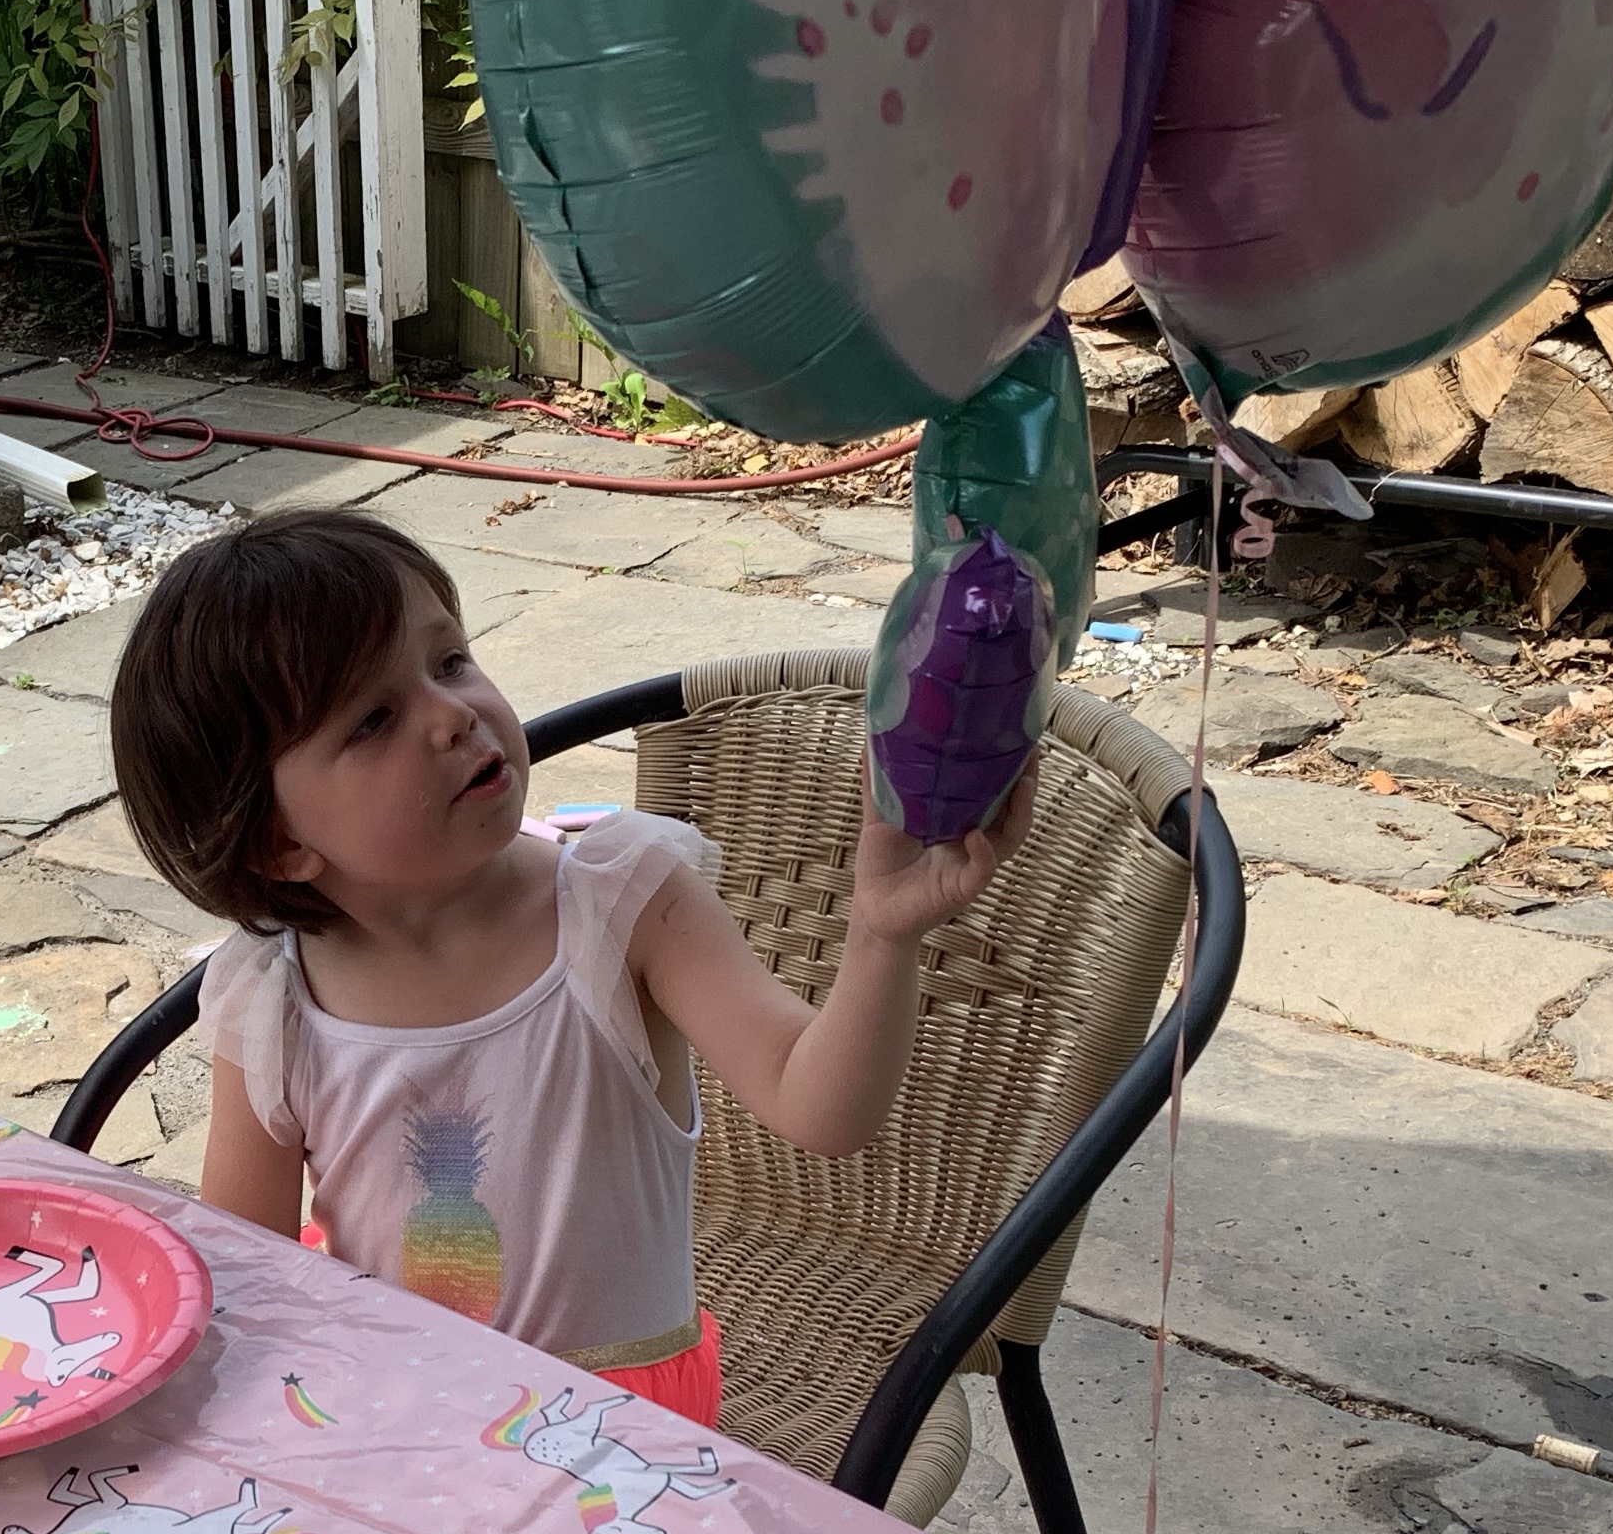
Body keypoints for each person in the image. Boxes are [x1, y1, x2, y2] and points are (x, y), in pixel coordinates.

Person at [106, 509, 1033, 1423]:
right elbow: (250, 1278)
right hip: (390, 1403)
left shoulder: (625, 903)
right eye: (374, 719)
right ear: (279, 842)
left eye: (449, 661)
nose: (454, 715)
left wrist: (880, 936)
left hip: (616, 1424)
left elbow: (821, 1107)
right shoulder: (274, 998)